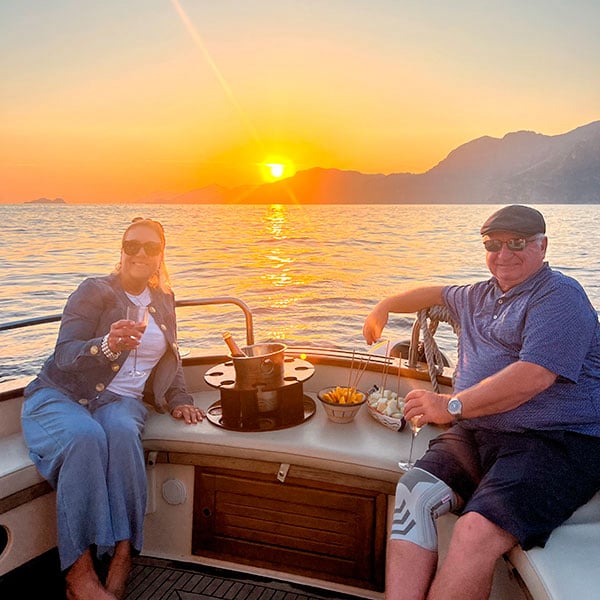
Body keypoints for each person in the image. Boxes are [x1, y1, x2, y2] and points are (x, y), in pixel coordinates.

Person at [363, 205, 600, 600]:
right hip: (481, 430)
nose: (503, 254)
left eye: (517, 243)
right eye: (493, 244)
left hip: (557, 441)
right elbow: (434, 293)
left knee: (474, 533)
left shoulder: (560, 296)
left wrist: (450, 406)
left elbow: (534, 376)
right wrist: (384, 306)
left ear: (542, 246)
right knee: (412, 495)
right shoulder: (478, 295)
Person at [21, 217, 204, 600]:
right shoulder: (95, 291)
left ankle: (123, 554)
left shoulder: (164, 300)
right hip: (63, 394)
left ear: (161, 256)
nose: (139, 253)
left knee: (121, 436)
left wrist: (180, 399)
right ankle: (79, 573)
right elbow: (64, 354)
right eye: (131, 245)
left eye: (150, 247)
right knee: (84, 437)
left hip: (121, 402)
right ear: (121, 250)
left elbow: (172, 359)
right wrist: (106, 345)